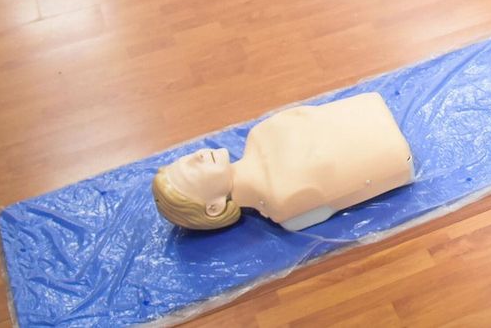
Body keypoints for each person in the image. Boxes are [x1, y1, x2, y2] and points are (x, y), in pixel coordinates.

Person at [150, 92, 414, 231]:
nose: (196, 156)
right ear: (215, 207)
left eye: (185, 159)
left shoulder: (258, 136)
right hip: (391, 149)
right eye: (189, 174)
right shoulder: (282, 199)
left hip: (372, 112)